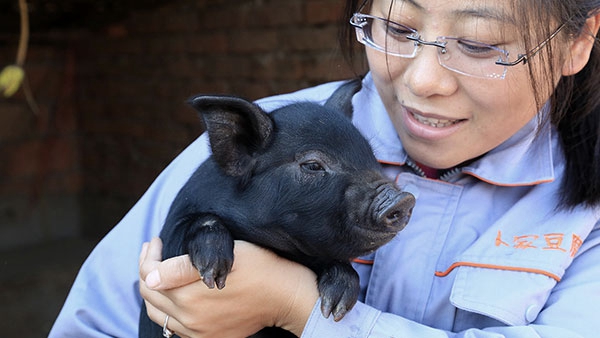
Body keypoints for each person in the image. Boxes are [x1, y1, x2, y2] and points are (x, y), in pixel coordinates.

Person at [50, 0, 600, 337]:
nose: (425, 80)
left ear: (578, 42)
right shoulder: (260, 138)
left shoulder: (585, 207)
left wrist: (297, 308)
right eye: (399, 29)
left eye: (479, 44)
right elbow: (95, 323)